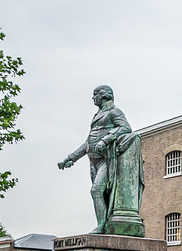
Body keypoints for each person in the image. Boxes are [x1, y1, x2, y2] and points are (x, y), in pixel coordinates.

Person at [58, 85, 142, 235]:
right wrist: (70, 158)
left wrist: (105, 140)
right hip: (93, 162)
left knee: (96, 190)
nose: (93, 98)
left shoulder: (114, 111)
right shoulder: (98, 114)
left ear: (103, 95)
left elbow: (125, 128)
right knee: (101, 194)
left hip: (106, 160)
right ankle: (103, 224)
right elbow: (88, 143)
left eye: (95, 94)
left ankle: (101, 225)